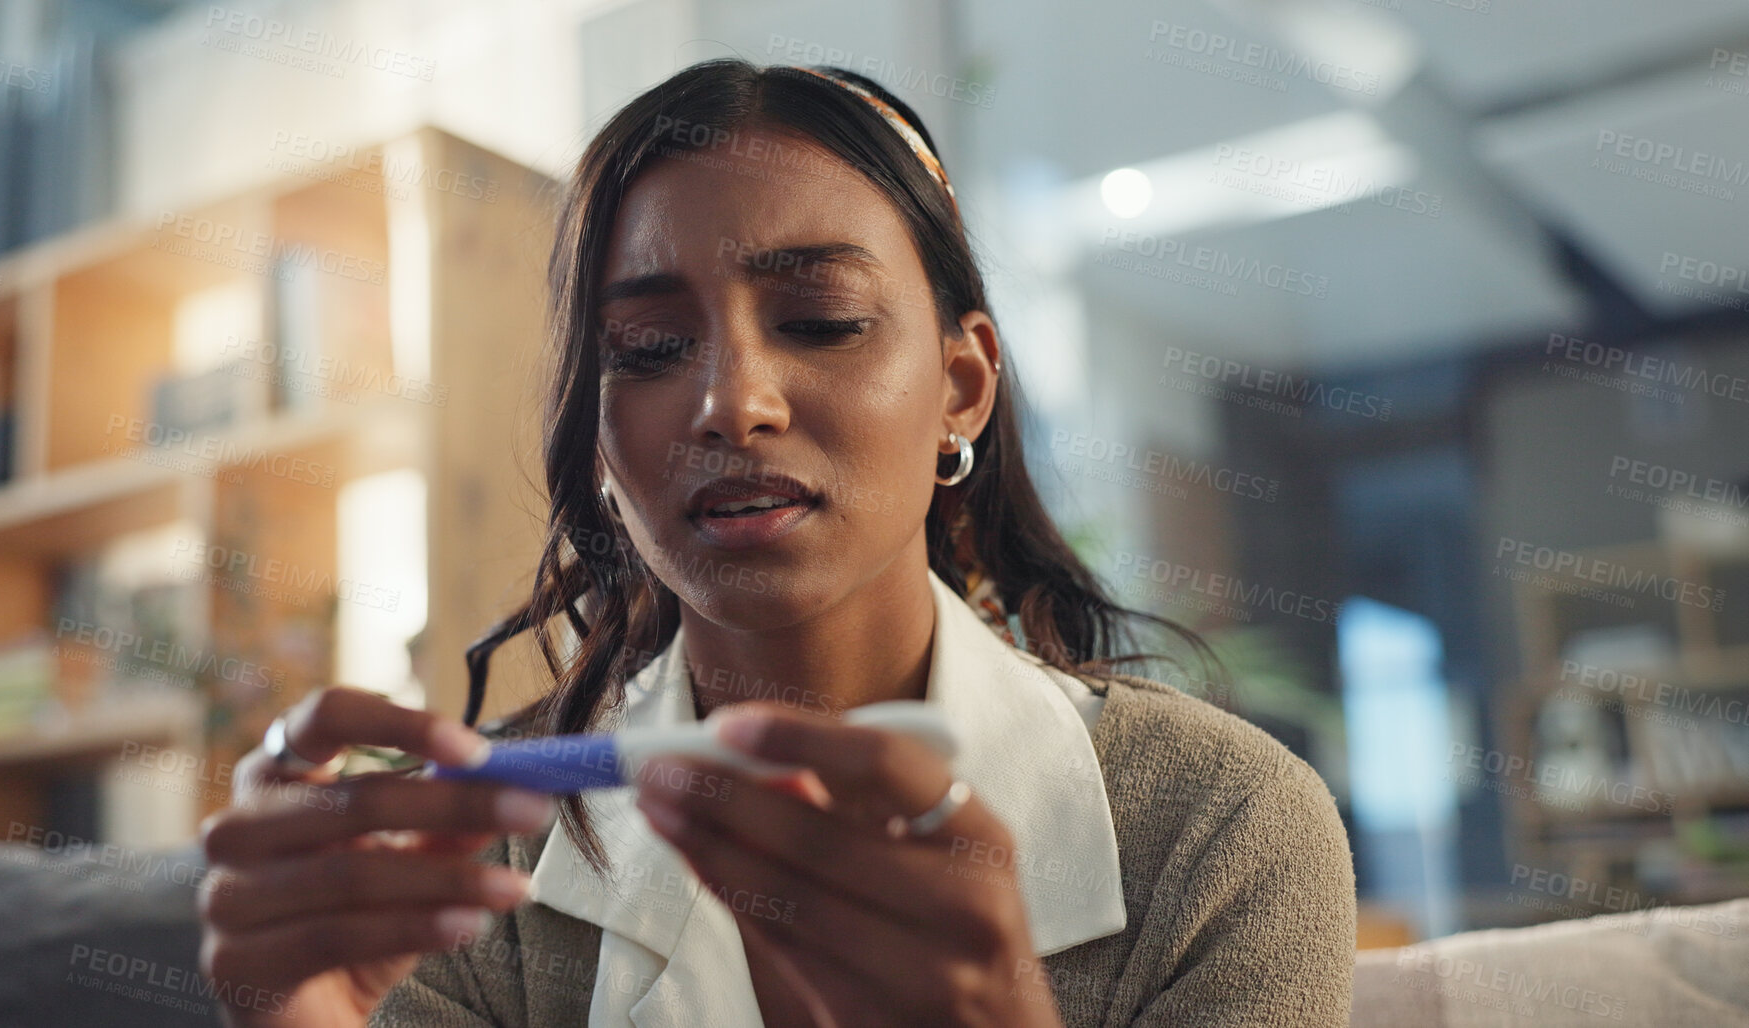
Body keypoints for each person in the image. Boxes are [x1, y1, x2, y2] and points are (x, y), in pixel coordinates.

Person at [196, 59, 1355, 1027]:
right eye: (647, 346)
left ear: (960, 386)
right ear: (594, 435)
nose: (731, 402)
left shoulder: (1215, 829)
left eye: (820, 322)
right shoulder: (465, 863)